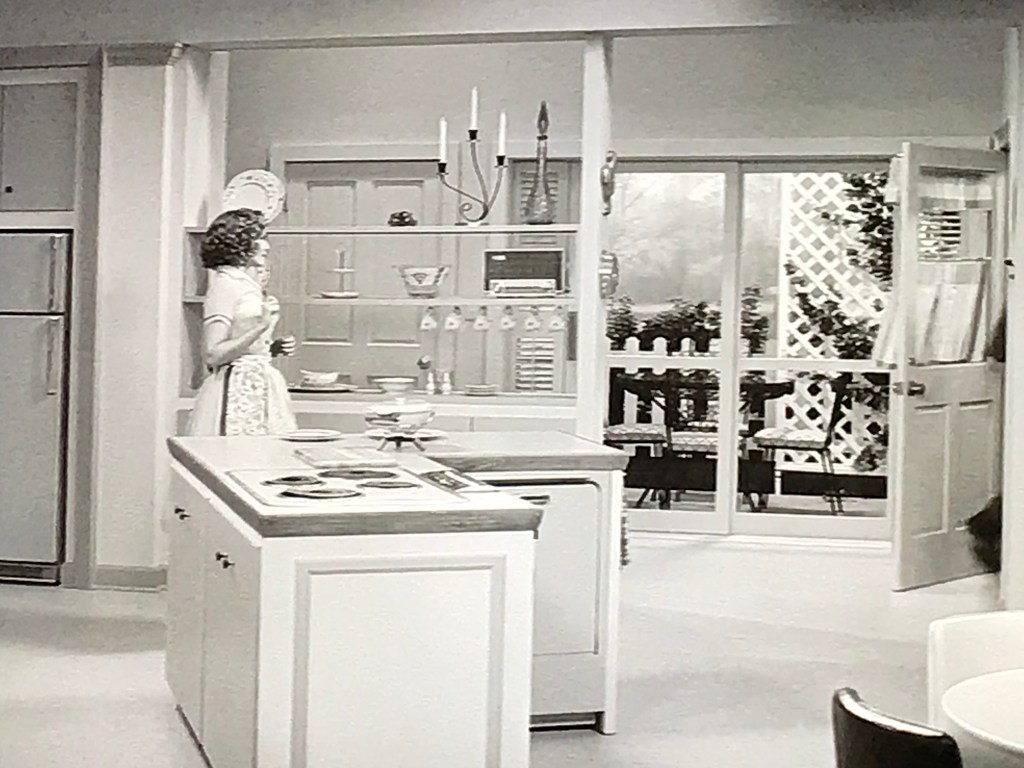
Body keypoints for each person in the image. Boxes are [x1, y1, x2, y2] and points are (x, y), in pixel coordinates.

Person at [186, 208, 298, 436]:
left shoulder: (244, 283)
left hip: (257, 383)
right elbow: (213, 354)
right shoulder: (226, 284)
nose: (266, 246)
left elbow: (241, 344)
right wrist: (260, 327)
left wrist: (270, 348)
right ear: (239, 244)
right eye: (260, 238)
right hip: (236, 389)